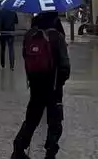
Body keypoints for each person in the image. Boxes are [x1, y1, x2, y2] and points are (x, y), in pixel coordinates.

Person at [11, 11, 71, 159]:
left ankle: (19, 148)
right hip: (54, 84)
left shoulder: (30, 35)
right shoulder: (57, 37)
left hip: (36, 83)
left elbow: (25, 57)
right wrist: (61, 81)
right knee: (55, 120)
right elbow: (65, 65)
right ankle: (50, 151)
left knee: (32, 118)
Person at [0, 1, 19, 70]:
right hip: (11, 32)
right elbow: (16, 21)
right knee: (11, 49)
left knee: (3, 49)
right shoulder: (13, 11)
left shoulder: (0, 12)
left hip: (3, 33)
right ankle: (12, 66)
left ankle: (2, 64)